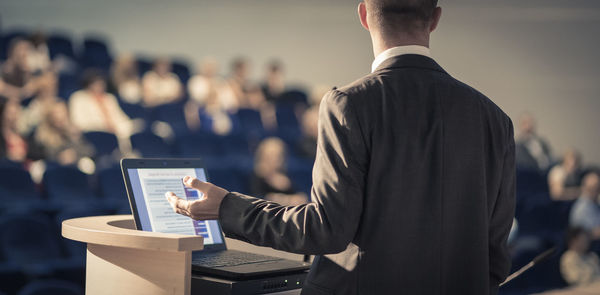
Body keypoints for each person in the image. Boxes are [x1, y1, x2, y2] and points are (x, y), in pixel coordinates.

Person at [166, 1, 515, 294]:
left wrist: (227, 207)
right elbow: (495, 258)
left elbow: (326, 230)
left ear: (363, 14)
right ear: (435, 18)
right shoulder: (495, 119)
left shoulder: (350, 104)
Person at [68, 70, 134, 140]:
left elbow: (121, 118)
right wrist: (105, 127)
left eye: (102, 83)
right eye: (96, 83)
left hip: (115, 133)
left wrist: (125, 125)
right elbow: (79, 122)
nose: (100, 86)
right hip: (93, 136)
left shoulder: (109, 98)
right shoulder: (78, 98)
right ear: (88, 84)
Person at [251, 137, 308, 206]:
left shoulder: (285, 177)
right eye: (271, 155)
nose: (275, 159)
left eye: (278, 155)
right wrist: (287, 200)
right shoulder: (257, 176)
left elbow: (300, 197)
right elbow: (258, 200)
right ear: (262, 155)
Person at [0, 96, 44, 163]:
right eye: (10, 113)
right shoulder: (2, 137)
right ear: (2, 113)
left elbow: (39, 155)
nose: (14, 117)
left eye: (16, 112)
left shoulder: (25, 134)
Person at [569, 172, 600, 238]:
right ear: (585, 188)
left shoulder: (596, 204)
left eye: (598, 188)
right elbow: (586, 234)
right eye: (592, 188)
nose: (596, 191)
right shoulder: (581, 208)